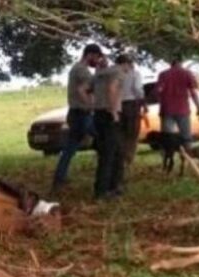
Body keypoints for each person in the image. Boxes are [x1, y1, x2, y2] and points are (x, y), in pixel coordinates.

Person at [51, 44, 104, 193]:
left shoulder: (78, 68)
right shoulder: (81, 70)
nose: (97, 60)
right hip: (82, 114)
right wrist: (91, 106)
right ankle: (105, 176)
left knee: (70, 148)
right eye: (97, 57)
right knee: (103, 140)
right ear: (89, 55)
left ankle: (59, 178)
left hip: (76, 113)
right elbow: (90, 87)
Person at [156, 54, 199, 166]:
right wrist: (198, 108)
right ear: (181, 62)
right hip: (182, 110)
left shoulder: (163, 74)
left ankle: (165, 161)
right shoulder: (187, 74)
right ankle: (187, 160)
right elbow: (193, 93)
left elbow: (158, 91)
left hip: (167, 110)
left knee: (167, 138)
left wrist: (162, 100)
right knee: (186, 137)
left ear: (171, 63)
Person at [92, 56, 124, 201]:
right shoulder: (117, 72)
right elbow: (112, 89)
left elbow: (87, 90)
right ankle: (103, 190)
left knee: (110, 152)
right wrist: (113, 112)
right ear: (127, 64)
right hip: (108, 114)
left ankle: (111, 187)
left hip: (98, 114)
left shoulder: (98, 75)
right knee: (110, 154)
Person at [117, 54, 146, 168]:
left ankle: (119, 157)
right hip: (131, 105)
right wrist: (142, 99)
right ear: (128, 63)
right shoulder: (135, 74)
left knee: (121, 133)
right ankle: (128, 159)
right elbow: (137, 89)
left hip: (118, 105)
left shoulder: (114, 75)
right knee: (132, 133)